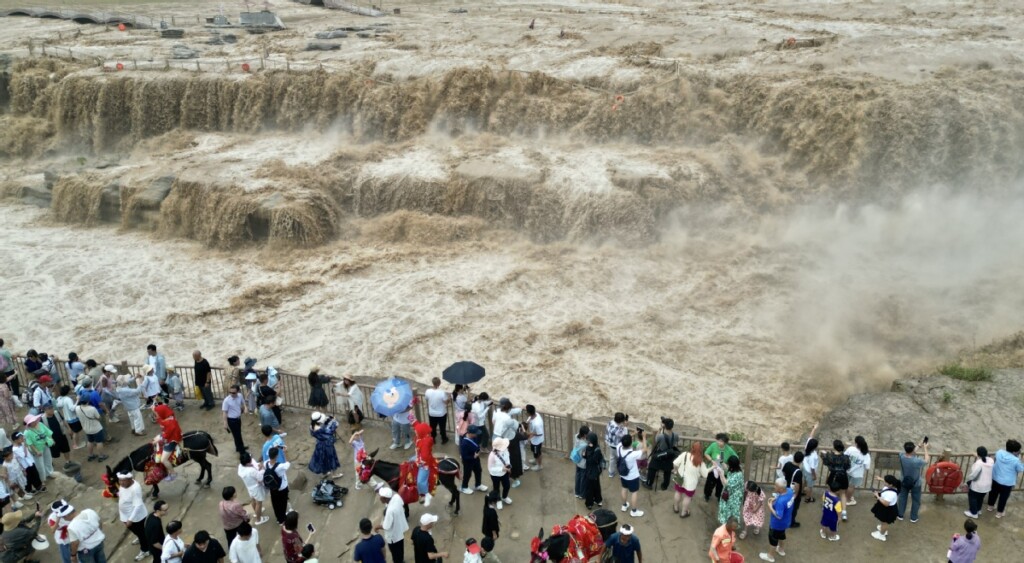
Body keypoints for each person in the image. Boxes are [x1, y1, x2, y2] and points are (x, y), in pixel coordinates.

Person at [758, 478, 795, 562]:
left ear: (781, 489)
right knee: (782, 535)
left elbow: (778, 516)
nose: (774, 487)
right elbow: (783, 497)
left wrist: (770, 506)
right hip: (786, 521)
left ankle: (770, 556)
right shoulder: (789, 491)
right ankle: (781, 550)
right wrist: (775, 499)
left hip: (777, 524)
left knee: (773, 539)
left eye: (776, 486)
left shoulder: (780, 502)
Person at [118, 471, 151, 561]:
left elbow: (138, 506)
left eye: (123, 481)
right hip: (125, 515)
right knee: (137, 532)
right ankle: (140, 539)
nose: (121, 483)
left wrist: (130, 519)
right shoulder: (123, 485)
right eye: (120, 480)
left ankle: (145, 550)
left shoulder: (135, 489)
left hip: (136, 518)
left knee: (141, 534)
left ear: (130, 479)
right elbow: (122, 494)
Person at [987, 439, 1024, 518]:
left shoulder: (999, 452)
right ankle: (999, 512)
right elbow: (1020, 469)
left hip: (995, 478)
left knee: (993, 493)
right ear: (1014, 452)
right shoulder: (1016, 460)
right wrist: (1022, 461)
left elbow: (996, 459)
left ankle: (990, 506)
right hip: (1007, 483)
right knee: (1003, 498)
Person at [671, 441, 708, 518]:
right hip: (691, 484)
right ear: (701, 451)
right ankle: (683, 513)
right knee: (687, 497)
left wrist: (675, 470)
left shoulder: (684, 454)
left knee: (678, 492)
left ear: (692, 448)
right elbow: (705, 475)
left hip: (680, 478)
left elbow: (675, 463)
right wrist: (711, 468)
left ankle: (676, 508)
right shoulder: (701, 462)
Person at [897, 439, 930, 522]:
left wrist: (918, 446)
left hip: (904, 481)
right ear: (912, 450)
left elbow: (910, 453)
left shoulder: (901, 455)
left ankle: (900, 515)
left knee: (902, 498)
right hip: (916, 483)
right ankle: (913, 517)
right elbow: (926, 460)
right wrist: (925, 448)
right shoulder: (916, 461)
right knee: (916, 500)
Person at [375, 487, 409, 563]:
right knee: (400, 549)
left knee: (396, 554)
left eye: (380, 497)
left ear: (384, 498)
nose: (379, 498)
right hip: (400, 530)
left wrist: (377, 527)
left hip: (393, 537)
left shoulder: (390, 511)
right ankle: (401, 560)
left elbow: (386, 526)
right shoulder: (396, 497)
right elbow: (402, 503)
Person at [617, 432, 647, 518]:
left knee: (624, 489)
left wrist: (634, 433)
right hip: (632, 477)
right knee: (634, 493)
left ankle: (624, 505)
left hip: (623, 474)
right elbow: (645, 449)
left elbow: (624, 439)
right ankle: (634, 511)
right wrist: (644, 437)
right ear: (631, 443)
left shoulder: (619, 447)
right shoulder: (633, 454)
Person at [644, 417, 678, 491]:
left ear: (664, 426)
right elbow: (675, 441)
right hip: (669, 456)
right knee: (667, 471)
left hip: (660, 455)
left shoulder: (661, 436)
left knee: (652, 468)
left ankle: (649, 484)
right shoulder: (676, 435)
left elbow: (656, 440)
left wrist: (660, 429)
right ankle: (664, 486)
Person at [236, 452, 269, 526]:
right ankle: (259, 519)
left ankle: (256, 513)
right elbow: (260, 478)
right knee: (259, 503)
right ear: (247, 463)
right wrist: (262, 469)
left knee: (253, 500)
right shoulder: (251, 471)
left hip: (249, 486)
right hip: (256, 487)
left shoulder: (240, 467)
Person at [821, 439, 851, 520]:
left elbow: (825, 461)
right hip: (843, 476)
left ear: (834, 447)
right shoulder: (846, 457)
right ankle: (844, 513)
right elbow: (848, 467)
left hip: (833, 476)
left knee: (830, 492)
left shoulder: (830, 456)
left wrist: (824, 453)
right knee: (843, 494)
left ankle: (828, 508)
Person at [703, 433, 738, 502]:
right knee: (709, 483)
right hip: (713, 468)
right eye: (718, 440)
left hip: (723, 470)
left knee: (720, 485)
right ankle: (707, 495)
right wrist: (712, 460)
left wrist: (727, 464)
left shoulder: (729, 449)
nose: (719, 442)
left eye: (721, 441)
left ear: (725, 442)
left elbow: (736, 458)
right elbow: (706, 453)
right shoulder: (713, 445)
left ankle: (719, 496)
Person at [24, 412, 55, 481]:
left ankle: (50, 473)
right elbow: (30, 444)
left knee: (48, 460)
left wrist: (51, 440)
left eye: (34, 420)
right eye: (32, 421)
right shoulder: (27, 432)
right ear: (29, 424)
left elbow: (48, 432)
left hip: (45, 445)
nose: (34, 422)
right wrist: (37, 451)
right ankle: (43, 479)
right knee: (40, 465)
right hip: (37, 450)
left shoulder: (40, 424)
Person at [308, 412, 341, 477]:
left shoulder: (311, 426)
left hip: (319, 444)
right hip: (327, 445)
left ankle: (325, 472)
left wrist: (327, 420)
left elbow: (322, 427)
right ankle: (334, 474)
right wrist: (334, 420)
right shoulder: (321, 429)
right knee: (332, 458)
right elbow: (331, 430)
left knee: (323, 458)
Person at [75, 395, 107, 463]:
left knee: (90, 441)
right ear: (88, 401)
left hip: (86, 429)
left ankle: (90, 455)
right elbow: (99, 418)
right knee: (99, 442)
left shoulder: (77, 408)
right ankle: (101, 456)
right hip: (96, 428)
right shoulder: (92, 408)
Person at [964, 446, 993, 519]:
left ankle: (973, 513)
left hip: (978, 485)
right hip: (987, 485)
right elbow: (983, 460)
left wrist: (967, 481)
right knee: (980, 498)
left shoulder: (978, 464)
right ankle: (978, 510)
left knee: (972, 498)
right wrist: (977, 456)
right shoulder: (991, 460)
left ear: (978, 454)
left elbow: (973, 475)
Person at [264, 447, 291, 525]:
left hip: (272, 487)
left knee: (275, 503)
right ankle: (282, 520)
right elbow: (288, 463)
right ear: (276, 456)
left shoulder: (266, 463)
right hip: (282, 487)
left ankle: (278, 518)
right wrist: (285, 452)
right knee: (283, 503)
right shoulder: (280, 466)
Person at [843, 436, 871, 510]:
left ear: (856, 443)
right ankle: (848, 500)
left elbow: (845, 456)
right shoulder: (866, 455)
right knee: (851, 487)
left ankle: (845, 496)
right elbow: (867, 467)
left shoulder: (851, 449)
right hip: (857, 474)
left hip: (847, 470)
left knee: (846, 485)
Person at [870, 475, 901, 541]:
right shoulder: (893, 486)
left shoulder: (891, 494)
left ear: (891, 484)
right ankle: (883, 530)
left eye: (885, 482)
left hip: (887, 510)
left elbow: (886, 504)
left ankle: (881, 535)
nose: (884, 483)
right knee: (883, 521)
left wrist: (877, 496)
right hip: (887, 508)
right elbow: (888, 482)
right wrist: (880, 479)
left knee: (885, 522)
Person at [715, 455, 743, 526]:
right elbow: (726, 468)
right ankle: (726, 526)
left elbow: (726, 483)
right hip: (729, 495)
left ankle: (729, 527)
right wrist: (721, 461)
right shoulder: (735, 469)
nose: (727, 465)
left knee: (731, 513)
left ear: (732, 465)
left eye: (729, 464)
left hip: (733, 498)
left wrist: (721, 473)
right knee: (726, 511)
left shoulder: (738, 475)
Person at [458, 426, 487, 495]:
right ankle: (464, 487)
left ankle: (478, 485)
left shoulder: (474, 437)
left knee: (478, 470)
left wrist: (477, 452)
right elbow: (464, 456)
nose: (477, 434)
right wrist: (474, 456)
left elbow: (476, 444)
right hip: (468, 461)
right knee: (467, 474)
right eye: (475, 433)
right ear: (470, 433)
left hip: (476, 458)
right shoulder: (464, 443)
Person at [487, 438, 513, 509]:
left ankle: (504, 497)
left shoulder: (505, 450)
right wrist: (502, 469)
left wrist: (508, 466)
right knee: (496, 488)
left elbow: (507, 459)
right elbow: (490, 468)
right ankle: (498, 500)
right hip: (495, 475)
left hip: (505, 473)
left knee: (507, 486)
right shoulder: (492, 456)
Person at [56, 385, 83, 451]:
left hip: (67, 419)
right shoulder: (68, 399)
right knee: (76, 432)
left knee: (72, 431)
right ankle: (76, 444)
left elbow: (58, 406)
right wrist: (77, 400)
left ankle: (75, 443)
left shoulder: (59, 398)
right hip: (73, 418)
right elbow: (72, 408)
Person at [781, 451, 805, 528]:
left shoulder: (787, 464)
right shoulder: (798, 472)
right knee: (793, 508)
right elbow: (797, 485)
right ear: (801, 461)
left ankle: (782, 516)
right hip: (792, 492)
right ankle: (791, 522)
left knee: (785, 503)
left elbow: (784, 473)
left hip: (785, 487)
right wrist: (796, 496)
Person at [424, 378, 450, 445]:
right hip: (441, 413)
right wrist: (449, 398)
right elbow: (446, 402)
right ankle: (444, 439)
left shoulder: (428, 391)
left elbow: (426, 399)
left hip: (432, 413)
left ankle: (433, 439)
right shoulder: (442, 392)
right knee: (442, 427)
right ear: (439, 383)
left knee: (432, 427)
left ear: (432, 383)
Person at [583, 431, 605, 510]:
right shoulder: (594, 447)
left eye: (589, 441)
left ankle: (589, 503)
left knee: (590, 488)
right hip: (593, 471)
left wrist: (586, 454)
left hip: (592, 471)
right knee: (596, 486)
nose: (588, 442)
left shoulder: (596, 450)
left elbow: (592, 460)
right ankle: (598, 500)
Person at [222, 385, 247, 454]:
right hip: (231, 420)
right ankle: (242, 451)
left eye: (233, 392)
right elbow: (224, 412)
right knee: (237, 435)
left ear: (238, 391)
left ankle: (239, 447)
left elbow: (243, 402)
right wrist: (225, 423)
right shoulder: (227, 400)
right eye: (230, 392)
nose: (231, 394)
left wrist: (245, 407)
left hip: (238, 419)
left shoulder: (240, 396)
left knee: (238, 434)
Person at [604, 413, 629, 478]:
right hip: (617, 447)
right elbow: (625, 436)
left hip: (610, 444)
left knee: (612, 459)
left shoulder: (610, 422)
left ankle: (611, 473)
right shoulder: (617, 429)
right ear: (621, 421)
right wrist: (625, 427)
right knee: (621, 460)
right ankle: (621, 474)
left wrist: (622, 425)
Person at [570, 425, 590, 498]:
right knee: (583, 479)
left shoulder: (576, 436)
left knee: (577, 477)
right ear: (585, 435)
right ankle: (582, 494)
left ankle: (577, 492)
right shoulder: (585, 444)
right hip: (583, 463)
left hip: (577, 461)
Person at [801, 435, 820, 504]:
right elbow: (812, 468)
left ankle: (802, 492)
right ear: (815, 447)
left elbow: (810, 437)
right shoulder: (813, 456)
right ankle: (808, 498)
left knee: (804, 481)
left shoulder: (806, 448)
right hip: (810, 472)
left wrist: (814, 429)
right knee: (810, 486)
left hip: (805, 468)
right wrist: (814, 476)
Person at [525, 405, 544, 471]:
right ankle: (535, 460)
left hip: (537, 441)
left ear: (529, 412)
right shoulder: (535, 415)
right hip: (534, 440)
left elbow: (540, 433)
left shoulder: (537, 423)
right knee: (534, 452)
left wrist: (530, 434)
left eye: (526, 411)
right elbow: (529, 420)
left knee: (538, 453)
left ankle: (539, 465)